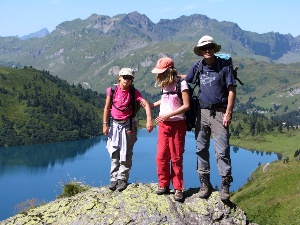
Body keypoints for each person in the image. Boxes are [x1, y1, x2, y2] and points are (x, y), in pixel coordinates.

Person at [184, 35, 237, 200]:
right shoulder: (198, 66)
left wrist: (228, 112)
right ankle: (204, 184)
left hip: (220, 113)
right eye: (204, 48)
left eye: (210, 47)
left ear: (214, 49)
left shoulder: (224, 67)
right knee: (201, 149)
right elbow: (186, 81)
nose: (207, 50)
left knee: (222, 150)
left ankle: (225, 184)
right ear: (200, 51)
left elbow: (231, 90)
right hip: (201, 113)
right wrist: (169, 76)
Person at [103, 68, 153, 192]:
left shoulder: (134, 92)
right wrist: (105, 124)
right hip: (114, 125)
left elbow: (145, 104)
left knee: (126, 153)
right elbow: (107, 107)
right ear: (119, 77)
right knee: (115, 152)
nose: (127, 80)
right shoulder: (112, 91)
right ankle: (113, 179)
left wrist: (148, 120)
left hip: (128, 126)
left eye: (130, 78)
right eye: (125, 77)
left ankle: (122, 179)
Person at [150, 57, 190, 202]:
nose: (158, 75)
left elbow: (186, 105)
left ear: (169, 71)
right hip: (163, 125)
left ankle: (178, 188)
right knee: (161, 155)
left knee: (176, 157)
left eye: (161, 72)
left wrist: (168, 115)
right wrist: (153, 105)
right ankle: (163, 184)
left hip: (177, 125)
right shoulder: (164, 84)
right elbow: (166, 99)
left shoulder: (182, 84)